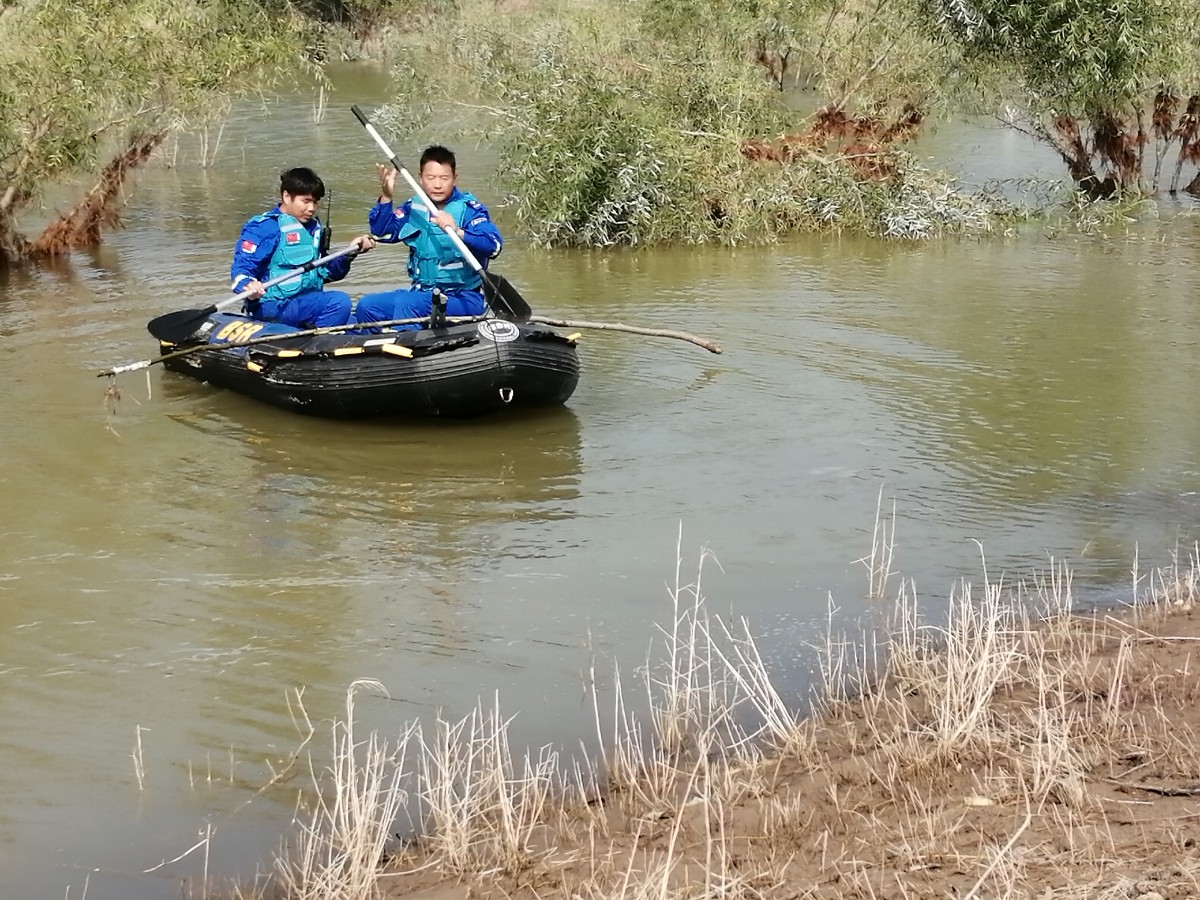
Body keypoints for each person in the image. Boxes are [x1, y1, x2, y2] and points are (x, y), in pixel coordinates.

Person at [355, 145, 502, 329]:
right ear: (420, 178)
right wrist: (386, 198)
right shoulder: (414, 206)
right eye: (431, 178)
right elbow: (383, 233)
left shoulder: (470, 209)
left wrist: (458, 231)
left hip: (462, 297)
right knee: (367, 306)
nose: (437, 185)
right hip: (422, 293)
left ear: (455, 179)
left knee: (407, 304)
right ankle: (377, 354)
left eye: (444, 178)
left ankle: (408, 351)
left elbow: (494, 246)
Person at [230, 167, 375, 329]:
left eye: (315, 202)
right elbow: (241, 271)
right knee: (339, 302)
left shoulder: (313, 229)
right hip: (273, 306)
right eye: (306, 201)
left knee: (362, 319)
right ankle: (320, 343)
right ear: (286, 196)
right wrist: (249, 285)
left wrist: (350, 252)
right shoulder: (264, 227)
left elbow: (327, 273)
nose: (311, 208)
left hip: (306, 304)